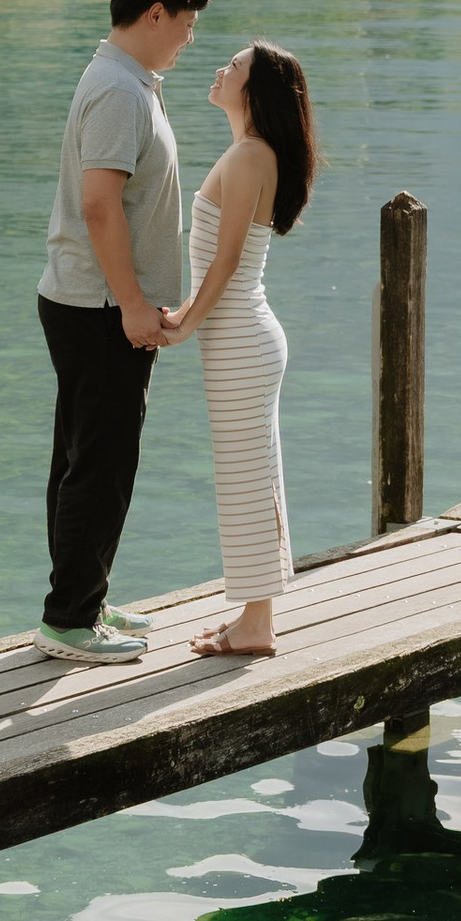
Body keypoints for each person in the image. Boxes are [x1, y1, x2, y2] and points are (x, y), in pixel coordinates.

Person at [36, 0, 214, 663]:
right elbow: (99, 205)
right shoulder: (118, 90)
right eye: (187, 24)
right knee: (101, 465)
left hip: (92, 300)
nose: (190, 39)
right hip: (101, 304)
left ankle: (83, 597)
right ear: (155, 15)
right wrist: (134, 304)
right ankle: (70, 621)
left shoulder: (129, 81)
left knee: (85, 457)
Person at [162, 40, 318, 656]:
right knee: (251, 476)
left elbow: (226, 263)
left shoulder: (252, 156)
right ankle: (256, 619)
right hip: (240, 339)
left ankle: (256, 624)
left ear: (256, 91)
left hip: (240, 340)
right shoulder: (249, 152)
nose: (220, 70)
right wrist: (190, 318)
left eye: (234, 66)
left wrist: (184, 324)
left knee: (247, 480)